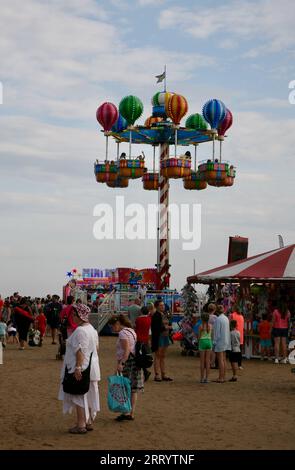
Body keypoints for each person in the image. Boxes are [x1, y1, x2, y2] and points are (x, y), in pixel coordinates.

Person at [58, 303, 100, 434]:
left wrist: (78, 367)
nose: (72, 317)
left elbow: (80, 351)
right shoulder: (91, 329)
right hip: (91, 366)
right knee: (87, 394)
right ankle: (87, 422)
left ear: (79, 315)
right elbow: (96, 348)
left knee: (79, 395)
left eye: (73, 314)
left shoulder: (80, 330)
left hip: (82, 367)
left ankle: (81, 424)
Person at [109, 315, 143, 421]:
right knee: (133, 388)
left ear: (117, 324)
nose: (112, 329)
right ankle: (131, 412)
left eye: (112, 326)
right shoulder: (131, 331)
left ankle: (127, 411)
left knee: (126, 387)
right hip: (135, 361)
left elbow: (127, 350)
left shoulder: (123, 333)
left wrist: (121, 364)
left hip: (128, 362)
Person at [151, 300, 173, 382]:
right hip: (159, 337)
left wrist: (169, 327)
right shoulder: (156, 315)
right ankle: (157, 374)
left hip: (165, 336)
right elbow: (156, 328)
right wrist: (167, 327)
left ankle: (164, 374)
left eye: (163, 305)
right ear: (157, 306)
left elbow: (168, 323)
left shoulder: (164, 314)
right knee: (158, 355)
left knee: (163, 356)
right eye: (160, 305)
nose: (162, 307)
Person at [213, 305, 231, 383]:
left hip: (220, 341)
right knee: (223, 359)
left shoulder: (218, 319)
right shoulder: (226, 318)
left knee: (220, 360)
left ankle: (221, 377)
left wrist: (214, 342)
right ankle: (223, 376)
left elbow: (216, 333)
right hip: (226, 340)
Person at [135, 306, 152, 381]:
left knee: (138, 357)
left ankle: (144, 372)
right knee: (144, 356)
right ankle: (145, 372)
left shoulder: (138, 319)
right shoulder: (149, 319)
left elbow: (136, 328)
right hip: (146, 339)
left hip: (139, 339)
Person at [198, 312, 213, 383]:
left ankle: (201, 378)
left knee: (202, 361)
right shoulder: (210, 326)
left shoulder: (201, 326)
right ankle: (207, 378)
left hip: (202, 341)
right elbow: (211, 335)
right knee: (207, 361)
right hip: (209, 341)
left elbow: (199, 336)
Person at [229, 305, 244, 370]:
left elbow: (229, 324)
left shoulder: (232, 315)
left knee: (233, 351)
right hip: (240, 335)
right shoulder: (241, 316)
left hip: (233, 335)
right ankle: (239, 365)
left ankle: (233, 364)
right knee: (239, 351)